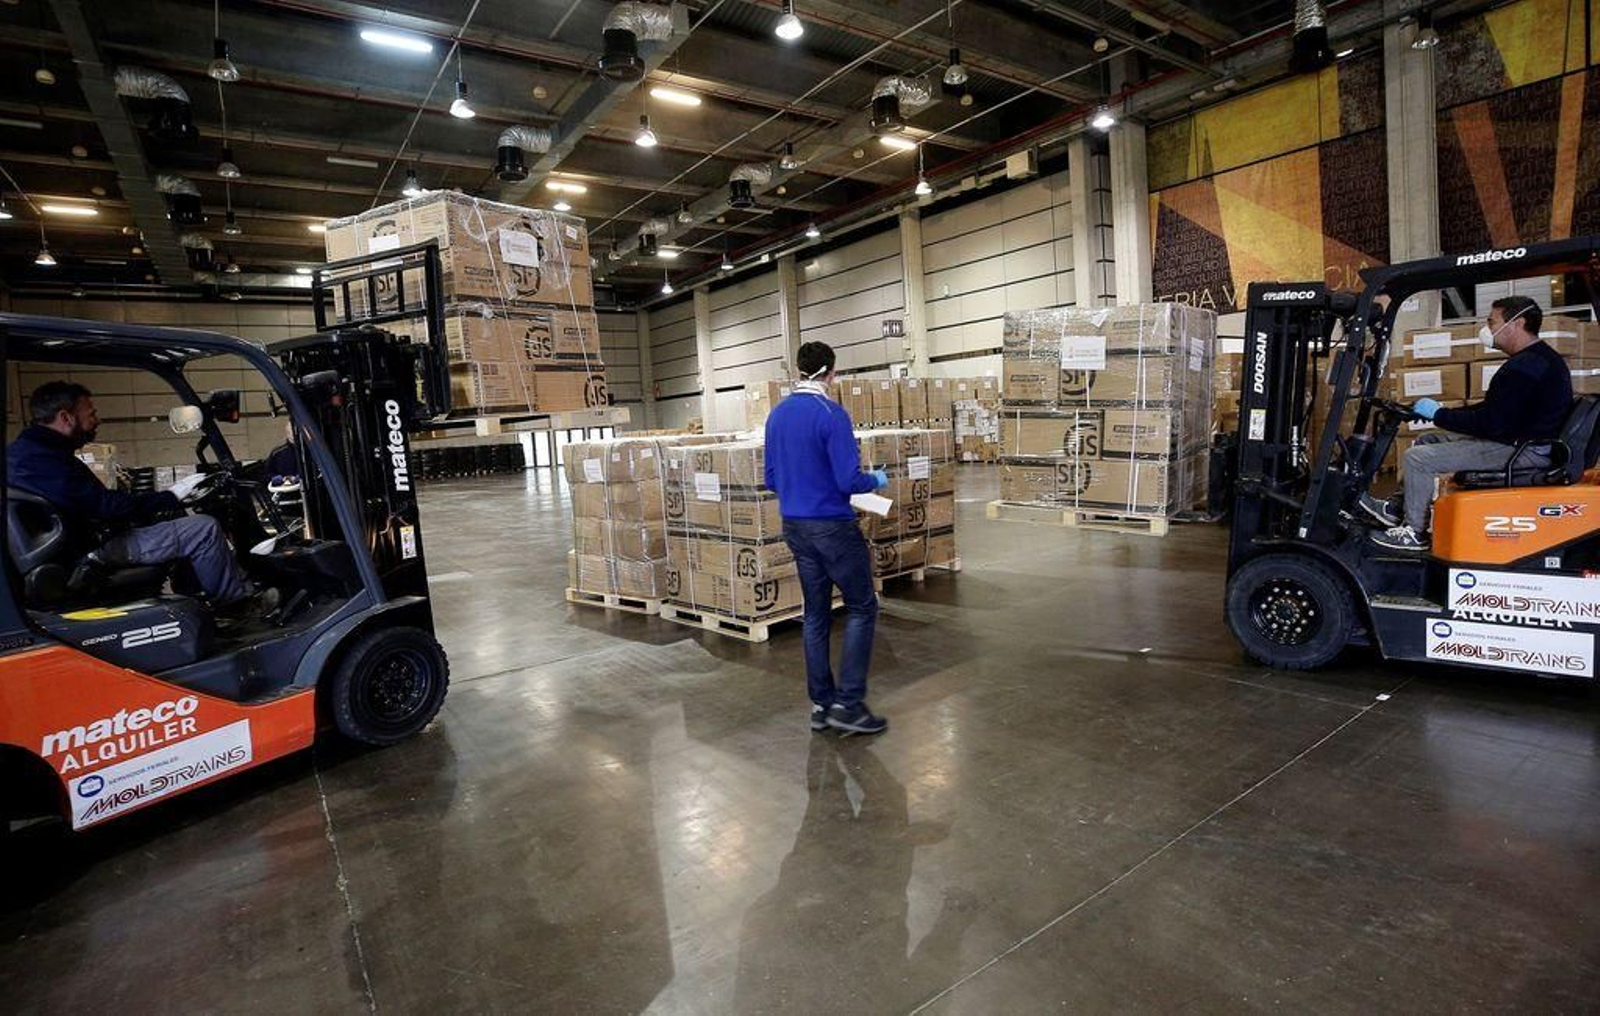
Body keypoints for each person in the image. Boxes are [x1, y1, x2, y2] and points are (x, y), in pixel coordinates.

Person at [8, 381, 271, 613]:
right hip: (90, 551)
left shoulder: (24, 454)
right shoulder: (45, 461)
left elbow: (92, 502)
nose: (97, 421)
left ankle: (198, 596)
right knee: (203, 529)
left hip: (75, 543)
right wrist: (170, 496)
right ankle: (236, 605)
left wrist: (158, 502)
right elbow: (107, 507)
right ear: (65, 418)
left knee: (172, 522)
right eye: (91, 414)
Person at [1363, 296, 1573, 551]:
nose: (1487, 330)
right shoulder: (1535, 360)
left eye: (1491, 322)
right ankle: (1397, 508)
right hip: (1518, 439)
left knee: (1418, 457)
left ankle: (1414, 532)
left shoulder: (1526, 367)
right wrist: (1442, 411)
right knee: (1427, 439)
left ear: (1518, 323)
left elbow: (1490, 423)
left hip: (1522, 450)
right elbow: (1493, 410)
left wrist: (1440, 416)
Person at [763, 342, 891, 735]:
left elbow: (770, 479)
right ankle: (849, 703)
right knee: (862, 606)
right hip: (832, 527)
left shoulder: (777, 415)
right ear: (831, 373)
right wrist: (877, 479)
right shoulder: (831, 415)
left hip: (795, 527)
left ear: (800, 370)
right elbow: (848, 481)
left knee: (816, 614)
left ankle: (822, 703)